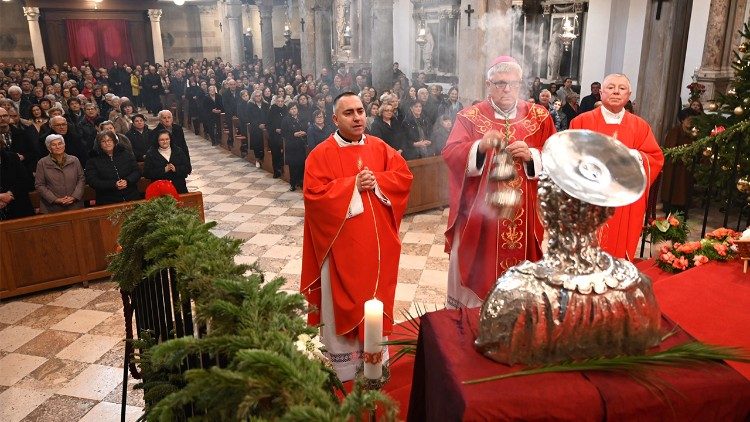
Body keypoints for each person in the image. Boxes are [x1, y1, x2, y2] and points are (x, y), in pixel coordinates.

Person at [300, 92, 413, 382]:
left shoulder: (380, 147)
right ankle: (346, 368)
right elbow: (314, 196)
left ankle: (376, 360)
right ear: (335, 119)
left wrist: (378, 181)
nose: (357, 117)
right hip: (341, 250)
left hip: (376, 249)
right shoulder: (320, 154)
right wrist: (352, 186)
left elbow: (403, 177)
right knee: (340, 304)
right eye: (348, 113)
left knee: (375, 299)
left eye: (360, 111)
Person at [443, 56, 555, 308]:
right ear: (488, 84)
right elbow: (450, 154)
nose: (507, 89)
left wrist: (532, 156)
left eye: (513, 84)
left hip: (524, 214)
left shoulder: (539, 116)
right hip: (480, 217)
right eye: (500, 83)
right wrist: (479, 147)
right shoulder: (469, 117)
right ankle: (473, 319)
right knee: (476, 268)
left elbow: (556, 156)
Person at [569, 73, 664, 260]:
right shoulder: (581, 121)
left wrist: (634, 155)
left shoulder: (640, 126)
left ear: (628, 95)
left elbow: (655, 158)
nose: (616, 92)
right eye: (611, 87)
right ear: (601, 92)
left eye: (621, 89)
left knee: (618, 251)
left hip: (623, 198)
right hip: (590, 197)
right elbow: (569, 157)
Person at [85, 130, 141, 206]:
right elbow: (93, 181)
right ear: (99, 144)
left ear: (114, 141)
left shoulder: (126, 154)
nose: (107, 143)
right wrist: (113, 184)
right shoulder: (93, 160)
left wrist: (127, 181)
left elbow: (137, 171)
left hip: (131, 196)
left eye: (109, 140)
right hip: (107, 200)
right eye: (103, 141)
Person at [661, 108, 700, 214]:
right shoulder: (675, 131)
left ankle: (683, 210)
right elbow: (670, 149)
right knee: (675, 188)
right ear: (682, 120)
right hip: (675, 167)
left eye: (692, 119)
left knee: (685, 187)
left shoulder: (695, 133)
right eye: (688, 118)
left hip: (688, 167)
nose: (690, 121)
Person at [34, 133, 85, 213]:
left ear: (64, 145)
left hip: (75, 205)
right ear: (49, 148)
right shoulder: (42, 163)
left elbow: (81, 179)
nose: (58, 147)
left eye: (60, 143)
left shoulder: (74, 160)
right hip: (51, 207)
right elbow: (40, 185)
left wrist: (74, 197)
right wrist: (56, 200)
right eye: (54, 145)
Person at [143, 130, 191, 194]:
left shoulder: (178, 151)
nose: (165, 142)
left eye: (167, 139)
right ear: (157, 141)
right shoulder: (151, 153)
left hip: (179, 187)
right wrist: (163, 170)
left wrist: (176, 169)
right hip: (160, 189)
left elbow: (188, 168)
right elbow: (147, 173)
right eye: (162, 140)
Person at [281, 102, 307, 191]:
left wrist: (304, 132)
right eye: (292, 109)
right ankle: (293, 183)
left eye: (295, 108)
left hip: (301, 144)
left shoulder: (302, 118)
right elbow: (283, 133)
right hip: (291, 145)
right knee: (293, 165)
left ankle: (301, 181)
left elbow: (307, 128)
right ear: (289, 111)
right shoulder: (285, 120)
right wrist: (293, 134)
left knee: (301, 164)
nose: (294, 110)